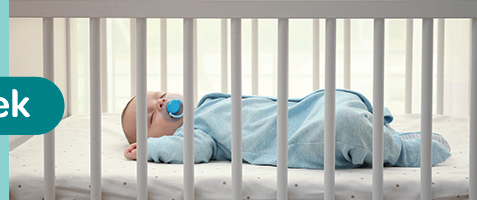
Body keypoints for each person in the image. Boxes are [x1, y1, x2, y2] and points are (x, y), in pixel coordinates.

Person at [119, 89, 451, 169]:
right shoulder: (194, 134)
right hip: (301, 137)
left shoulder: (208, 103)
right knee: (344, 127)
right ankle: (401, 151)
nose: (161, 104)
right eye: (151, 117)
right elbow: (190, 152)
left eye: (157, 95)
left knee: (340, 104)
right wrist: (151, 151)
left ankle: (380, 132)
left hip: (308, 108)